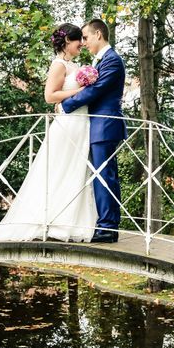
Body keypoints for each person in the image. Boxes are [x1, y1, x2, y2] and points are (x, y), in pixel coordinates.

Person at [0, 23, 98, 242]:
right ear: (67, 42)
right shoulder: (58, 65)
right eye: (77, 41)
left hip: (82, 123)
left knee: (77, 170)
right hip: (68, 124)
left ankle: (72, 223)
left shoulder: (74, 65)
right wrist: (81, 90)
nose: (81, 44)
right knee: (60, 168)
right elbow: (50, 96)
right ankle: (50, 222)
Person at [60, 19, 127, 243]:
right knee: (101, 176)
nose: (84, 42)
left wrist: (66, 105)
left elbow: (96, 90)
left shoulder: (112, 61)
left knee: (104, 176)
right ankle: (105, 224)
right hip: (97, 126)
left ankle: (108, 227)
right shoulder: (102, 61)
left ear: (98, 34)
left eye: (86, 37)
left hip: (105, 125)